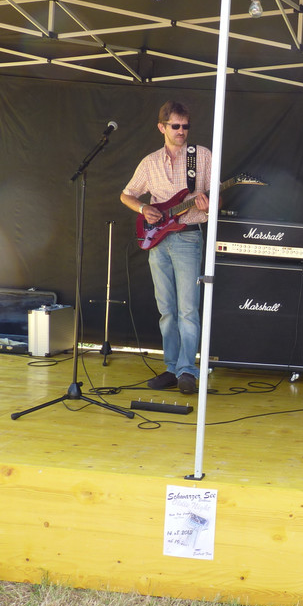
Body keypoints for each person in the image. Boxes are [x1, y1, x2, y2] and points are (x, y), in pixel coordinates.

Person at [120, 100, 213, 395]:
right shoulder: (150, 162)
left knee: (188, 309)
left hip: (188, 237)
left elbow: (217, 197)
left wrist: (209, 202)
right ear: (162, 127)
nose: (181, 131)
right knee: (167, 309)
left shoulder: (201, 156)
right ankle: (172, 368)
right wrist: (143, 208)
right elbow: (127, 194)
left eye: (185, 126)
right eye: (175, 126)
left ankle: (187, 370)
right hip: (157, 240)